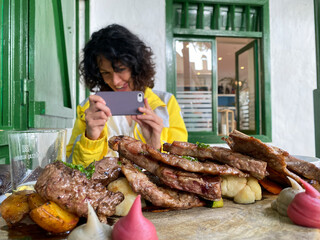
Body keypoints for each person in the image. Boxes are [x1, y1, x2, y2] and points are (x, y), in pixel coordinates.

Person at [67, 24, 188, 167]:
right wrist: (91, 138)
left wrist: (155, 146)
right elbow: (76, 168)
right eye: (106, 73)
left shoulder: (166, 104)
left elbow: (182, 166)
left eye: (121, 69)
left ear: (136, 66)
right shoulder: (89, 108)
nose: (115, 81)